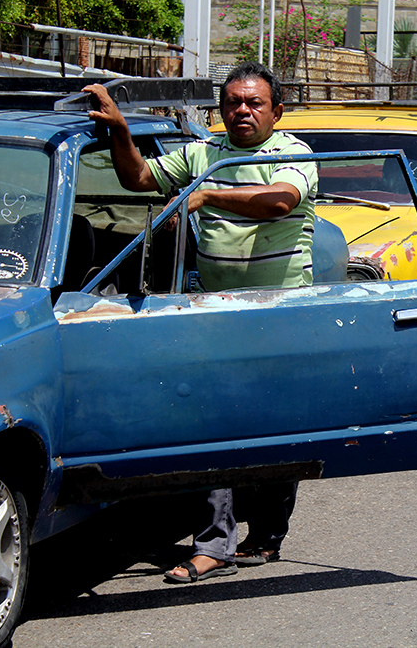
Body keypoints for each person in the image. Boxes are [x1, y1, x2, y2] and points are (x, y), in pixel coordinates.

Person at [83, 61, 316, 583]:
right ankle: (214, 543)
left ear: (277, 111)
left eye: (254, 102)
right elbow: (139, 177)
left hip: (279, 318)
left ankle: (267, 534)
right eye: (233, 101)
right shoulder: (204, 153)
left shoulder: (293, 155)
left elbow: (280, 201)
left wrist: (206, 194)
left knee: (275, 434)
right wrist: (120, 130)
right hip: (215, 315)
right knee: (214, 428)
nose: (242, 111)